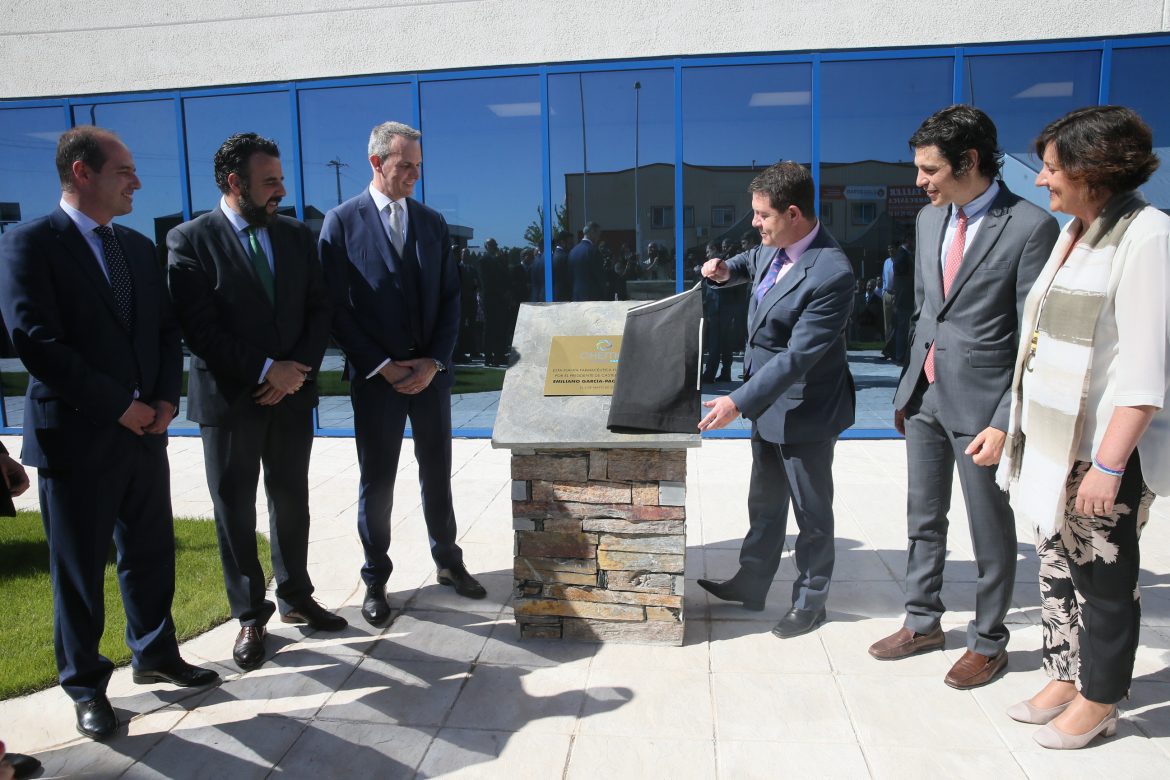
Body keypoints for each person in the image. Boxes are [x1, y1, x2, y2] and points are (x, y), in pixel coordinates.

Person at [0, 126, 218, 741]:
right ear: (82, 172)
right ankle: (86, 687)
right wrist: (119, 406)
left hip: (145, 433)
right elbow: (36, 342)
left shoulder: (136, 247)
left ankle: (155, 653)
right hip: (76, 438)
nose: (137, 182)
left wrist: (166, 399)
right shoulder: (27, 243)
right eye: (125, 171)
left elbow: (165, 331)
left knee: (149, 552)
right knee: (79, 571)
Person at [868, 106, 1059, 689]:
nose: (920, 180)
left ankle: (989, 641)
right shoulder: (930, 220)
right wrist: (908, 388)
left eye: (930, 169)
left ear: (969, 161)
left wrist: (1005, 419)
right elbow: (925, 311)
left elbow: (1033, 337)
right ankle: (922, 621)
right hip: (925, 396)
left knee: (989, 530)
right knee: (923, 518)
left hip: (982, 407)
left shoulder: (1029, 226)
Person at [998, 105, 1170, 749]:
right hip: (1053, 445)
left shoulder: (1147, 236)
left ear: (1092, 171)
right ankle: (1064, 674)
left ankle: (1100, 697)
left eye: (1051, 168)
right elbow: (1038, 344)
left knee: (1103, 580)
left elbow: (1146, 372)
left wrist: (1108, 465)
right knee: (1056, 567)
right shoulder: (1075, 231)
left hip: (1103, 452)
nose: (1042, 179)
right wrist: (1011, 428)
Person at [167, 133, 345, 672]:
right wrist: (268, 370)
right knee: (235, 510)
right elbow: (200, 330)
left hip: (290, 397)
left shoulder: (294, 235)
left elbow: (320, 309)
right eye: (270, 182)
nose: (281, 191)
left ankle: (295, 594)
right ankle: (249, 615)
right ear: (234, 183)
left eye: (281, 180)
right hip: (230, 401)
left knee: (290, 500)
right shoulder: (189, 240)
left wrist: (294, 373)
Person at [319, 121, 486, 628]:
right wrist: (383, 365)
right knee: (378, 480)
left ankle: (448, 560)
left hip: (430, 376)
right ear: (376, 162)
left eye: (418, 165)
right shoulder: (340, 223)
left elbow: (451, 298)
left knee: (437, 472)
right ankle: (375, 577)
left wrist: (434, 361)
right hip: (377, 381)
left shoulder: (432, 223)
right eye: (405, 165)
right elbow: (335, 308)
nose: (415, 174)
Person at [696, 161, 855, 639]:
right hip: (768, 404)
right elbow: (751, 262)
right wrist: (726, 270)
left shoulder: (832, 272)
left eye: (762, 215)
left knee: (811, 511)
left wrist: (737, 401)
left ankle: (810, 602)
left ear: (793, 214)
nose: (754, 223)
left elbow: (798, 357)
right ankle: (752, 582)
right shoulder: (774, 246)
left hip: (805, 408)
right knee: (765, 502)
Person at [569, 222, 605, 300]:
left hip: (576, 296)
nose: (598, 238)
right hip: (592, 297)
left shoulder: (572, 251)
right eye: (598, 234)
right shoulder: (594, 251)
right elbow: (600, 277)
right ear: (592, 232)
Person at [551, 230, 573, 302]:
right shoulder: (565, 257)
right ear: (563, 242)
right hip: (564, 295)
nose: (572, 245)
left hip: (555, 294)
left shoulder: (553, 255)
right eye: (570, 243)